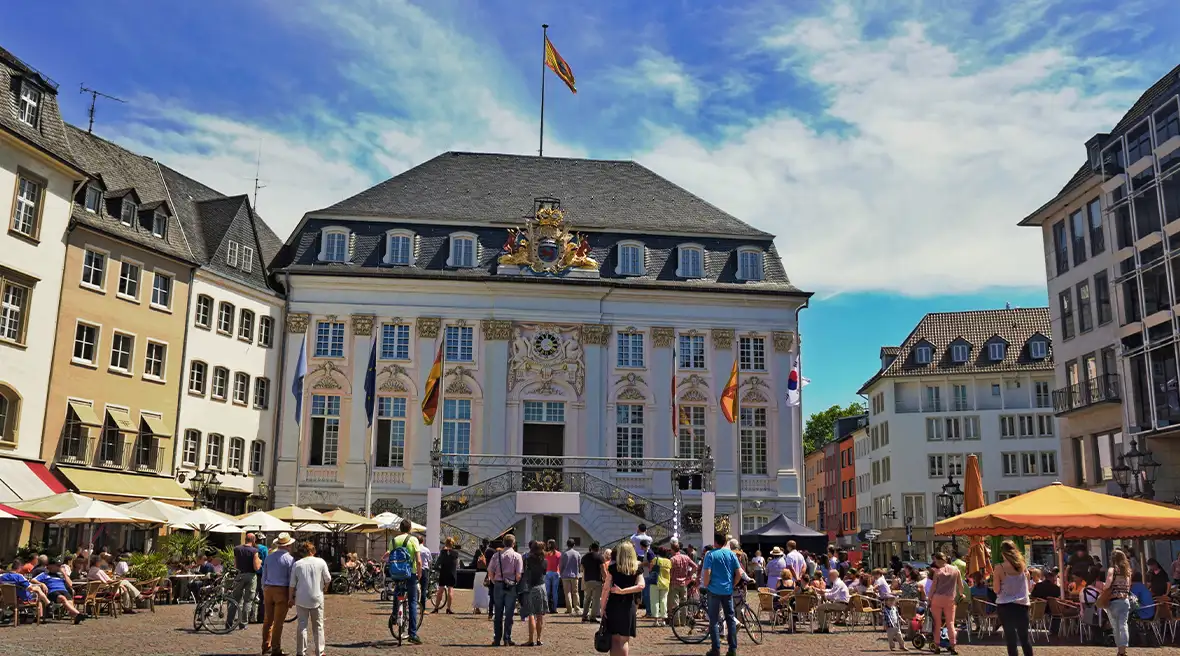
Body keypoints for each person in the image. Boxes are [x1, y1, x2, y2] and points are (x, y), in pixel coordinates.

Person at [602, 541, 645, 656]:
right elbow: (641, 586)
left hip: (613, 605)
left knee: (614, 639)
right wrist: (624, 591)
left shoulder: (612, 567)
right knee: (624, 640)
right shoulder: (637, 567)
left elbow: (606, 588)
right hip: (628, 605)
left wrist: (602, 608)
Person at [702, 533, 742, 656]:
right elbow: (739, 573)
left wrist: (706, 584)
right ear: (725, 542)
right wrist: (733, 585)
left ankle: (716, 649)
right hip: (727, 590)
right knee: (730, 619)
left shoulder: (710, 555)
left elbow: (707, 572)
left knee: (713, 620)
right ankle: (732, 649)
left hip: (714, 590)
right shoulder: (731, 554)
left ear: (715, 542)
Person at [288, 541, 331, 656]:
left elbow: (292, 584)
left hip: (301, 598)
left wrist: (290, 598)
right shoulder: (321, 562)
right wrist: (325, 588)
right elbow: (328, 579)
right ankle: (319, 651)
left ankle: (301, 652)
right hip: (317, 596)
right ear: (313, 551)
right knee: (318, 626)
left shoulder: (297, 564)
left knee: (302, 625)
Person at [387, 519, 424, 645]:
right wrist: (419, 573)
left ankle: (393, 616)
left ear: (400, 528)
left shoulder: (393, 541)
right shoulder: (413, 540)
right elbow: (419, 560)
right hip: (410, 573)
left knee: (397, 594)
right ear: (410, 528)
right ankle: (412, 634)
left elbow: (390, 557)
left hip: (396, 573)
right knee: (413, 602)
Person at [993, 540, 1033, 656]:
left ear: (1002, 553)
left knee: (1011, 640)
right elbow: (1028, 588)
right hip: (1022, 605)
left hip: (1005, 606)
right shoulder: (1023, 567)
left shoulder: (999, 568)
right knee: (1025, 639)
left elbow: (996, 589)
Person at [261, 533, 296, 656]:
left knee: (268, 620)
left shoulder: (269, 557)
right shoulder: (290, 559)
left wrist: (264, 588)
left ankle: (266, 645)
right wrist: (292, 595)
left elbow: (264, 575)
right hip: (282, 590)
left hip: (268, 589)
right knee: (278, 622)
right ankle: (276, 648)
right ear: (288, 546)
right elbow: (292, 579)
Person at [489, 533, 523, 647]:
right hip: (511, 585)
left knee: (498, 612)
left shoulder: (496, 555)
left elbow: (490, 571)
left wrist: (494, 581)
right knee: (509, 614)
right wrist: (515, 582)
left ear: (503, 543)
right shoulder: (517, 556)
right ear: (513, 544)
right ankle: (507, 639)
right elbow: (518, 575)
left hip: (498, 584)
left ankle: (497, 638)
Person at [928, 551, 962, 654]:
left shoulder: (937, 572)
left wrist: (929, 598)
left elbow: (933, 587)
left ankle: (937, 646)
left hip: (937, 599)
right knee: (950, 623)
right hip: (950, 599)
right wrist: (961, 594)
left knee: (937, 623)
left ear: (938, 561)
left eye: (935, 561)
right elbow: (960, 585)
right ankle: (953, 646)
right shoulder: (956, 570)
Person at [233, 533, 263, 629]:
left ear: (245, 539)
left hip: (240, 575)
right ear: (254, 540)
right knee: (248, 600)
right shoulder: (254, 551)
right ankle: (243, 623)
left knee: (236, 599)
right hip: (251, 576)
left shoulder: (237, 549)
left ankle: (230, 621)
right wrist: (260, 562)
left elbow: (235, 565)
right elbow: (256, 567)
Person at [522, 540, 548, 646]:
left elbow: (524, 572)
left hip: (530, 587)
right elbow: (544, 573)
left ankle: (530, 639)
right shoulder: (545, 561)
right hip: (541, 587)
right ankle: (539, 639)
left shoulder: (527, 560)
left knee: (531, 614)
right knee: (540, 615)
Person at [1106, 549, 1132, 656]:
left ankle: (1119, 650)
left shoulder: (1112, 570)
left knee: (1115, 627)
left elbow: (1107, 584)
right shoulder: (1128, 571)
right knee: (1123, 625)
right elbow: (1128, 587)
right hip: (1125, 600)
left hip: (1114, 600)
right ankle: (1123, 650)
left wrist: (1104, 588)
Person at [815, 568, 851, 634]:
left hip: (841, 605)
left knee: (820, 608)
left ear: (833, 576)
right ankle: (824, 626)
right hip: (841, 603)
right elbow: (832, 590)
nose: (829, 577)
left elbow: (833, 595)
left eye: (829, 575)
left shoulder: (838, 583)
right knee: (823, 607)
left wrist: (823, 594)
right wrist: (824, 591)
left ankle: (823, 628)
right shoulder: (838, 582)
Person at [432, 537, 459, 614]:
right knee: (450, 590)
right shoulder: (456, 553)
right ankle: (448, 608)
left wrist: (439, 569)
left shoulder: (443, 552)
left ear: (446, 543)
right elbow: (456, 564)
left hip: (443, 572)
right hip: (452, 573)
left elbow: (437, 564)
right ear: (453, 544)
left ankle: (436, 608)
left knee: (440, 591)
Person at [581, 542, 606, 622]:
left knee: (587, 598)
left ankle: (584, 615)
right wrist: (605, 579)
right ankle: (593, 617)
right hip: (597, 581)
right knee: (596, 599)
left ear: (591, 548)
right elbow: (603, 569)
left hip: (587, 580)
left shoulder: (584, 557)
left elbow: (582, 569)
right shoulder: (600, 557)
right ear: (598, 548)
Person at [557, 538, 581, 616]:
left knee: (567, 592)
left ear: (567, 545)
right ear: (574, 545)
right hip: (574, 575)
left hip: (565, 575)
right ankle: (577, 608)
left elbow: (561, 565)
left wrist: (561, 573)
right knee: (575, 592)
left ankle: (569, 609)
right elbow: (579, 564)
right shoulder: (577, 553)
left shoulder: (564, 553)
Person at [650, 545, 672, 625]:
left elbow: (650, 568)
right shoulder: (668, 561)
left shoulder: (656, 559)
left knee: (655, 601)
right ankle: (663, 620)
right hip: (666, 582)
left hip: (656, 582)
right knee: (664, 601)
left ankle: (656, 621)